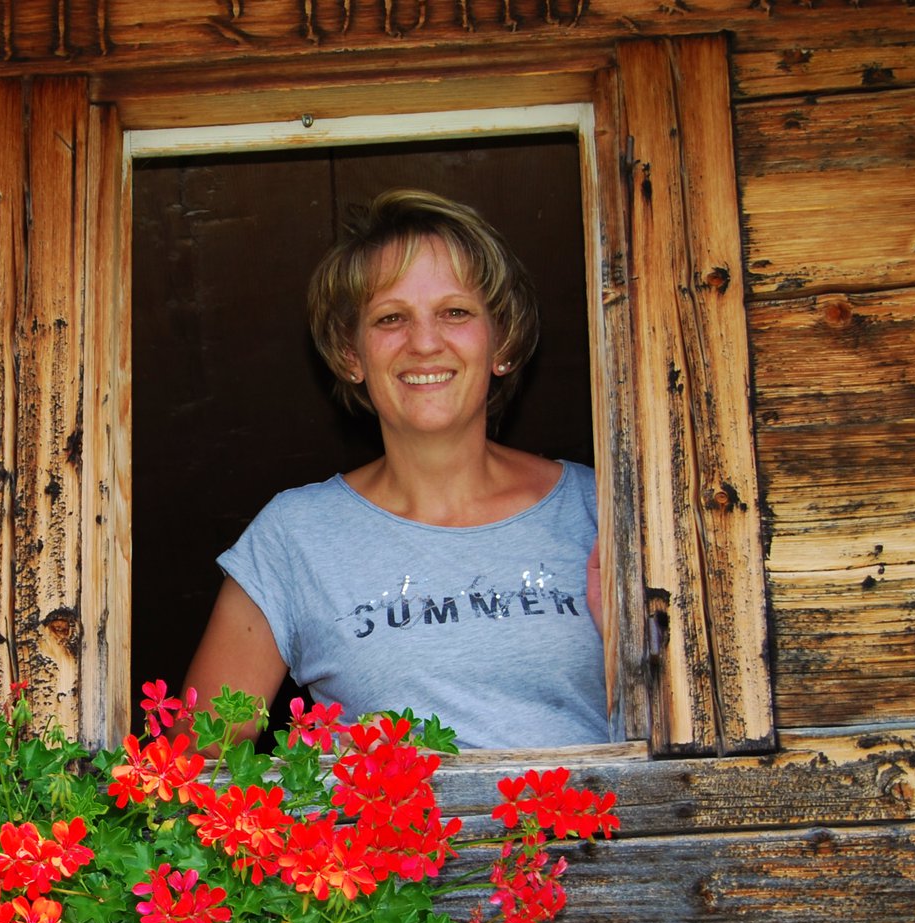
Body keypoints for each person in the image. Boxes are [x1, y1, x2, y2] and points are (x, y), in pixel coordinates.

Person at [180, 189, 609, 750]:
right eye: (390, 318)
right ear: (350, 354)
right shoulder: (295, 537)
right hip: (382, 841)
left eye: (455, 312)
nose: (425, 342)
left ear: (501, 340)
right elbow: (193, 762)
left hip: (595, 838)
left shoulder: (601, 508)